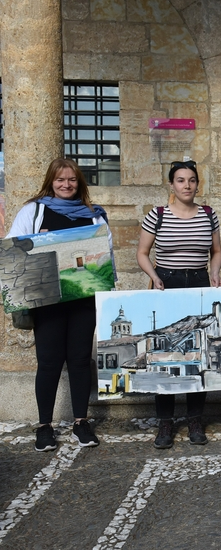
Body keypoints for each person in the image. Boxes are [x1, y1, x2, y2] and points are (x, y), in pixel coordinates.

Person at [7, 158, 112, 451]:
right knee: (49, 362)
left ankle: (81, 421)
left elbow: (107, 251)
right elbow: (12, 246)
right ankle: (44, 426)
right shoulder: (34, 211)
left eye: (72, 180)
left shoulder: (94, 215)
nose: (66, 185)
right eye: (60, 180)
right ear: (50, 182)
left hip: (82, 297)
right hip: (48, 299)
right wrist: (33, 242)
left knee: (79, 360)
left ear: (80, 182)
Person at [137, 160, 221, 448]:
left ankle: (195, 418)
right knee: (167, 353)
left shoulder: (209, 215)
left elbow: (217, 251)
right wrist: (154, 276)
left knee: (197, 353)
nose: (187, 185)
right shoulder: (157, 215)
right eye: (181, 180)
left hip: (198, 283)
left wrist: (214, 272)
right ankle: (165, 422)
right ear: (171, 185)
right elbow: (142, 253)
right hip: (167, 283)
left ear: (198, 184)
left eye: (191, 180)